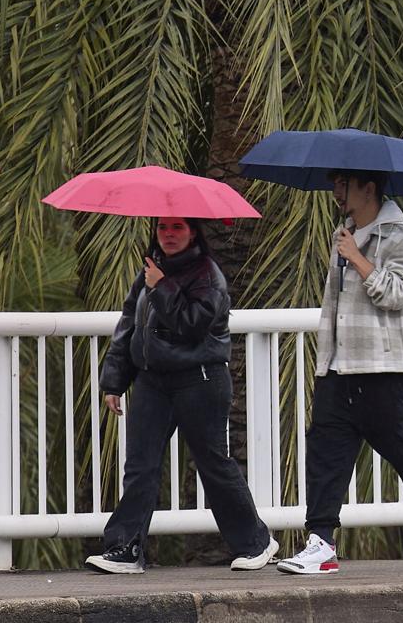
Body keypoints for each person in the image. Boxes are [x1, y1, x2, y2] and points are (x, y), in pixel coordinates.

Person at [277, 170, 403, 575]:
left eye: (343, 184)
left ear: (369, 188)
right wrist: (325, 361)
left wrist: (358, 259)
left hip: (384, 368)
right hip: (337, 367)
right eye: (333, 183)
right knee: (325, 456)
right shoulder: (344, 235)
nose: (335, 191)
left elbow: (398, 294)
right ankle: (321, 542)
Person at [86, 216, 278, 574]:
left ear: (193, 232)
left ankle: (256, 542)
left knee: (212, 463)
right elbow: (130, 326)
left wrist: (162, 288)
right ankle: (125, 548)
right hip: (152, 382)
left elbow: (193, 325)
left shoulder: (208, 274)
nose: (169, 234)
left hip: (200, 379)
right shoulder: (149, 272)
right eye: (162, 228)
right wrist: (114, 381)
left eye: (177, 227)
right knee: (140, 466)